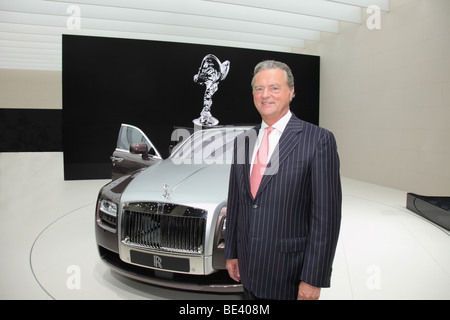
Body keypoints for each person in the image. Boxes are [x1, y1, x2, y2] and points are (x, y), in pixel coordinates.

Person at [225, 60, 342, 300]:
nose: (265, 95)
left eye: (274, 88)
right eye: (258, 88)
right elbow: (236, 202)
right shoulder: (243, 142)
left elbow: (326, 218)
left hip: (290, 273)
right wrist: (232, 252)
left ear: (292, 91)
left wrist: (313, 278)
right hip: (248, 268)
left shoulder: (318, 140)